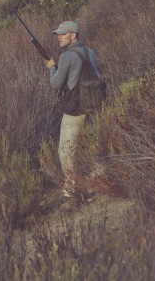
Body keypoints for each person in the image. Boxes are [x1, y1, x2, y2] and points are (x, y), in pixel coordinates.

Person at [44, 20, 99, 198]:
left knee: (66, 150)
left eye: (63, 33)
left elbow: (56, 83)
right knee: (92, 146)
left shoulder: (67, 56)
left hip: (74, 111)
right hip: (92, 108)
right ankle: (97, 179)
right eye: (58, 34)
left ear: (73, 35)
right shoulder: (91, 53)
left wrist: (52, 68)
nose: (59, 37)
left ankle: (73, 188)